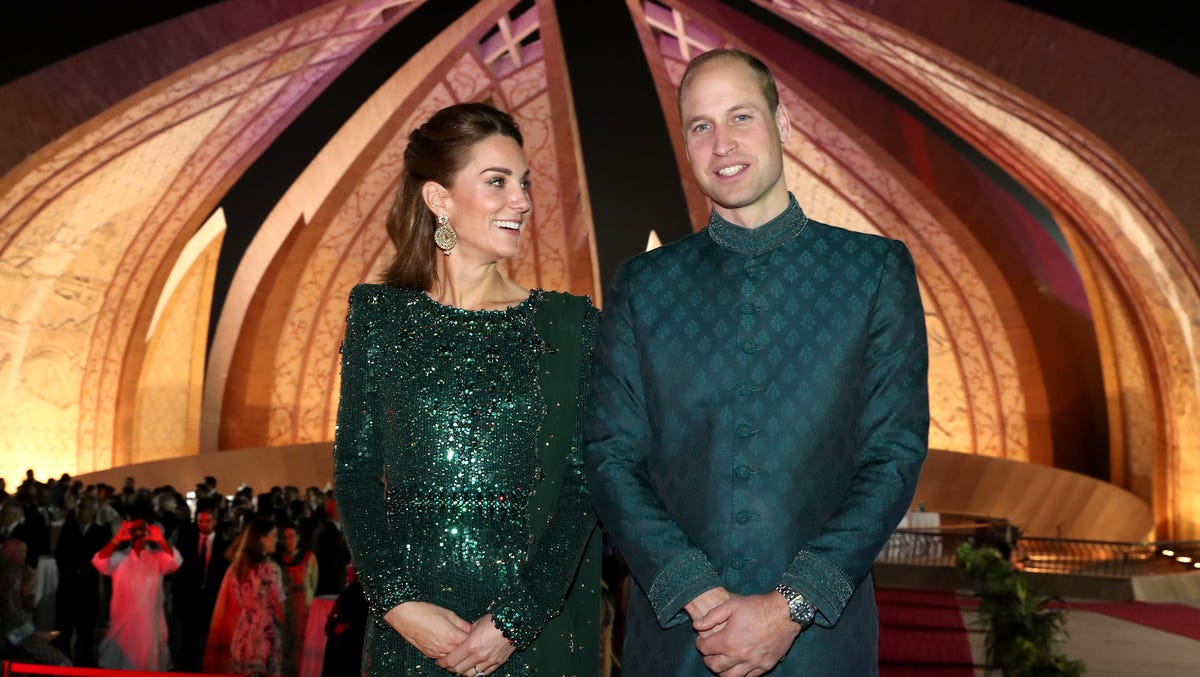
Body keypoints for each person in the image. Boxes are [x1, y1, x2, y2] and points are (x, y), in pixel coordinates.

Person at [583, 48, 929, 676]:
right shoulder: (643, 285)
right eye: (700, 126)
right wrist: (698, 594)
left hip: (821, 645)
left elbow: (893, 457)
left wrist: (790, 606)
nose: (722, 143)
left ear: (783, 124)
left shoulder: (873, 272)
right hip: (679, 642)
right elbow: (611, 456)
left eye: (740, 116)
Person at [332, 102, 600, 676]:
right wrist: (397, 603)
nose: (522, 201)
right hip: (410, 630)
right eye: (498, 182)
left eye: (523, 183)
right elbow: (354, 471)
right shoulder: (377, 317)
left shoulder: (567, 326)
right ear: (439, 199)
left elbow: (585, 483)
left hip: (531, 634)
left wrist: (515, 621)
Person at [91, 513, 183, 670]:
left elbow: (175, 562)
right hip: (124, 622)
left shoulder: (157, 557)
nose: (139, 532)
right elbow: (99, 562)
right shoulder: (120, 557)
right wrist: (116, 539)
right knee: (122, 661)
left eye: (143, 529)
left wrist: (161, 540)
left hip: (149, 623)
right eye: (135, 529)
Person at [169, 498, 230, 672]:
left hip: (210, 599)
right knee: (188, 637)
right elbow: (180, 568)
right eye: (200, 521)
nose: (203, 525)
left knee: (206, 638)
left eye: (207, 521)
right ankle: (187, 666)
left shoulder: (223, 544)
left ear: (215, 522)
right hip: (189, 598)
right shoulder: (187, 539)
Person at [52, 494, 111, 666]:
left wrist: (84, 569)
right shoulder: (69, 528)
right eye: (81, 507)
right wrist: (70, 568)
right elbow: (59, 554)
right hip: (68, 586)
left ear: (93, 512)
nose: (82, 511)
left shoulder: (100, 532)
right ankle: (61, 662)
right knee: (64, 627)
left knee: (86, 630)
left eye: (86, 508)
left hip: (87, 587)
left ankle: (83, 664)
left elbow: (103, 558)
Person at [229, 517, 286, 676]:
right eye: (273, 536)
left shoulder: (239, 566)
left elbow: (237, 600)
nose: (276, 540)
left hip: (244, 630)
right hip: (264, 633)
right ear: (262, 538)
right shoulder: (270, 568)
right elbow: (279, 605)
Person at [275, 522, 318, 675]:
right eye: (284, 537)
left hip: (303, 611)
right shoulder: (277, 560)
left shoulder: (308, 558)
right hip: (284, 609)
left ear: (298, 537)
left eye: (291, 536)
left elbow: (313, 585)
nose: (288, 540)